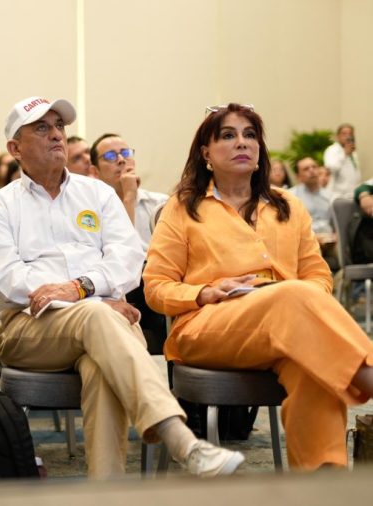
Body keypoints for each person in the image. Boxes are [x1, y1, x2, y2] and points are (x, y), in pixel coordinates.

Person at [0, 95, 244, 480]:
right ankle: (179, 438)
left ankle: (108, 491)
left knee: (101, 366)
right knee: (96, 316)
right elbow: (12, 280)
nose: (56, 135)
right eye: (41, 128)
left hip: (106, 322)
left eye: (59, 127)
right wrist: (94, 299)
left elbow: (129, 259)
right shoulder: (0, 206)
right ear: (14, 148)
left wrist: (83, 288)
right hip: (29, 329)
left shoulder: (98, 194)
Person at [144, 103, 373, 471]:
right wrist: (204, 292)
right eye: (229, 136)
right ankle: (367, 370)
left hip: (289, 326)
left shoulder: (287, 205)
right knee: (292, 295)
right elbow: (156, 289)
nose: (243, 143)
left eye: (250, 135)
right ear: (206, 153)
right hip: (206, 325)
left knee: (311, 366)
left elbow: (319, 276)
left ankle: (324, 483)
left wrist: (297, 294)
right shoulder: (183, 208)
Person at [90, 133, 168, 251]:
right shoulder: (91, 212)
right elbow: (121, 253)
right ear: (95, 172)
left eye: (126, 153)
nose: (121, 160)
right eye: (110, 156)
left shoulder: (160, 204)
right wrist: (129, 197)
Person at [324, 123, 360, 198]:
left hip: (352, 194)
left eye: (350, 133)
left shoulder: (353, 152)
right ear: (338, 136)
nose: (348, 136)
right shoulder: (331, 150)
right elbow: (331, 169)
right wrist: (344, 154)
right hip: (338, 195)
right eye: (344, 134)